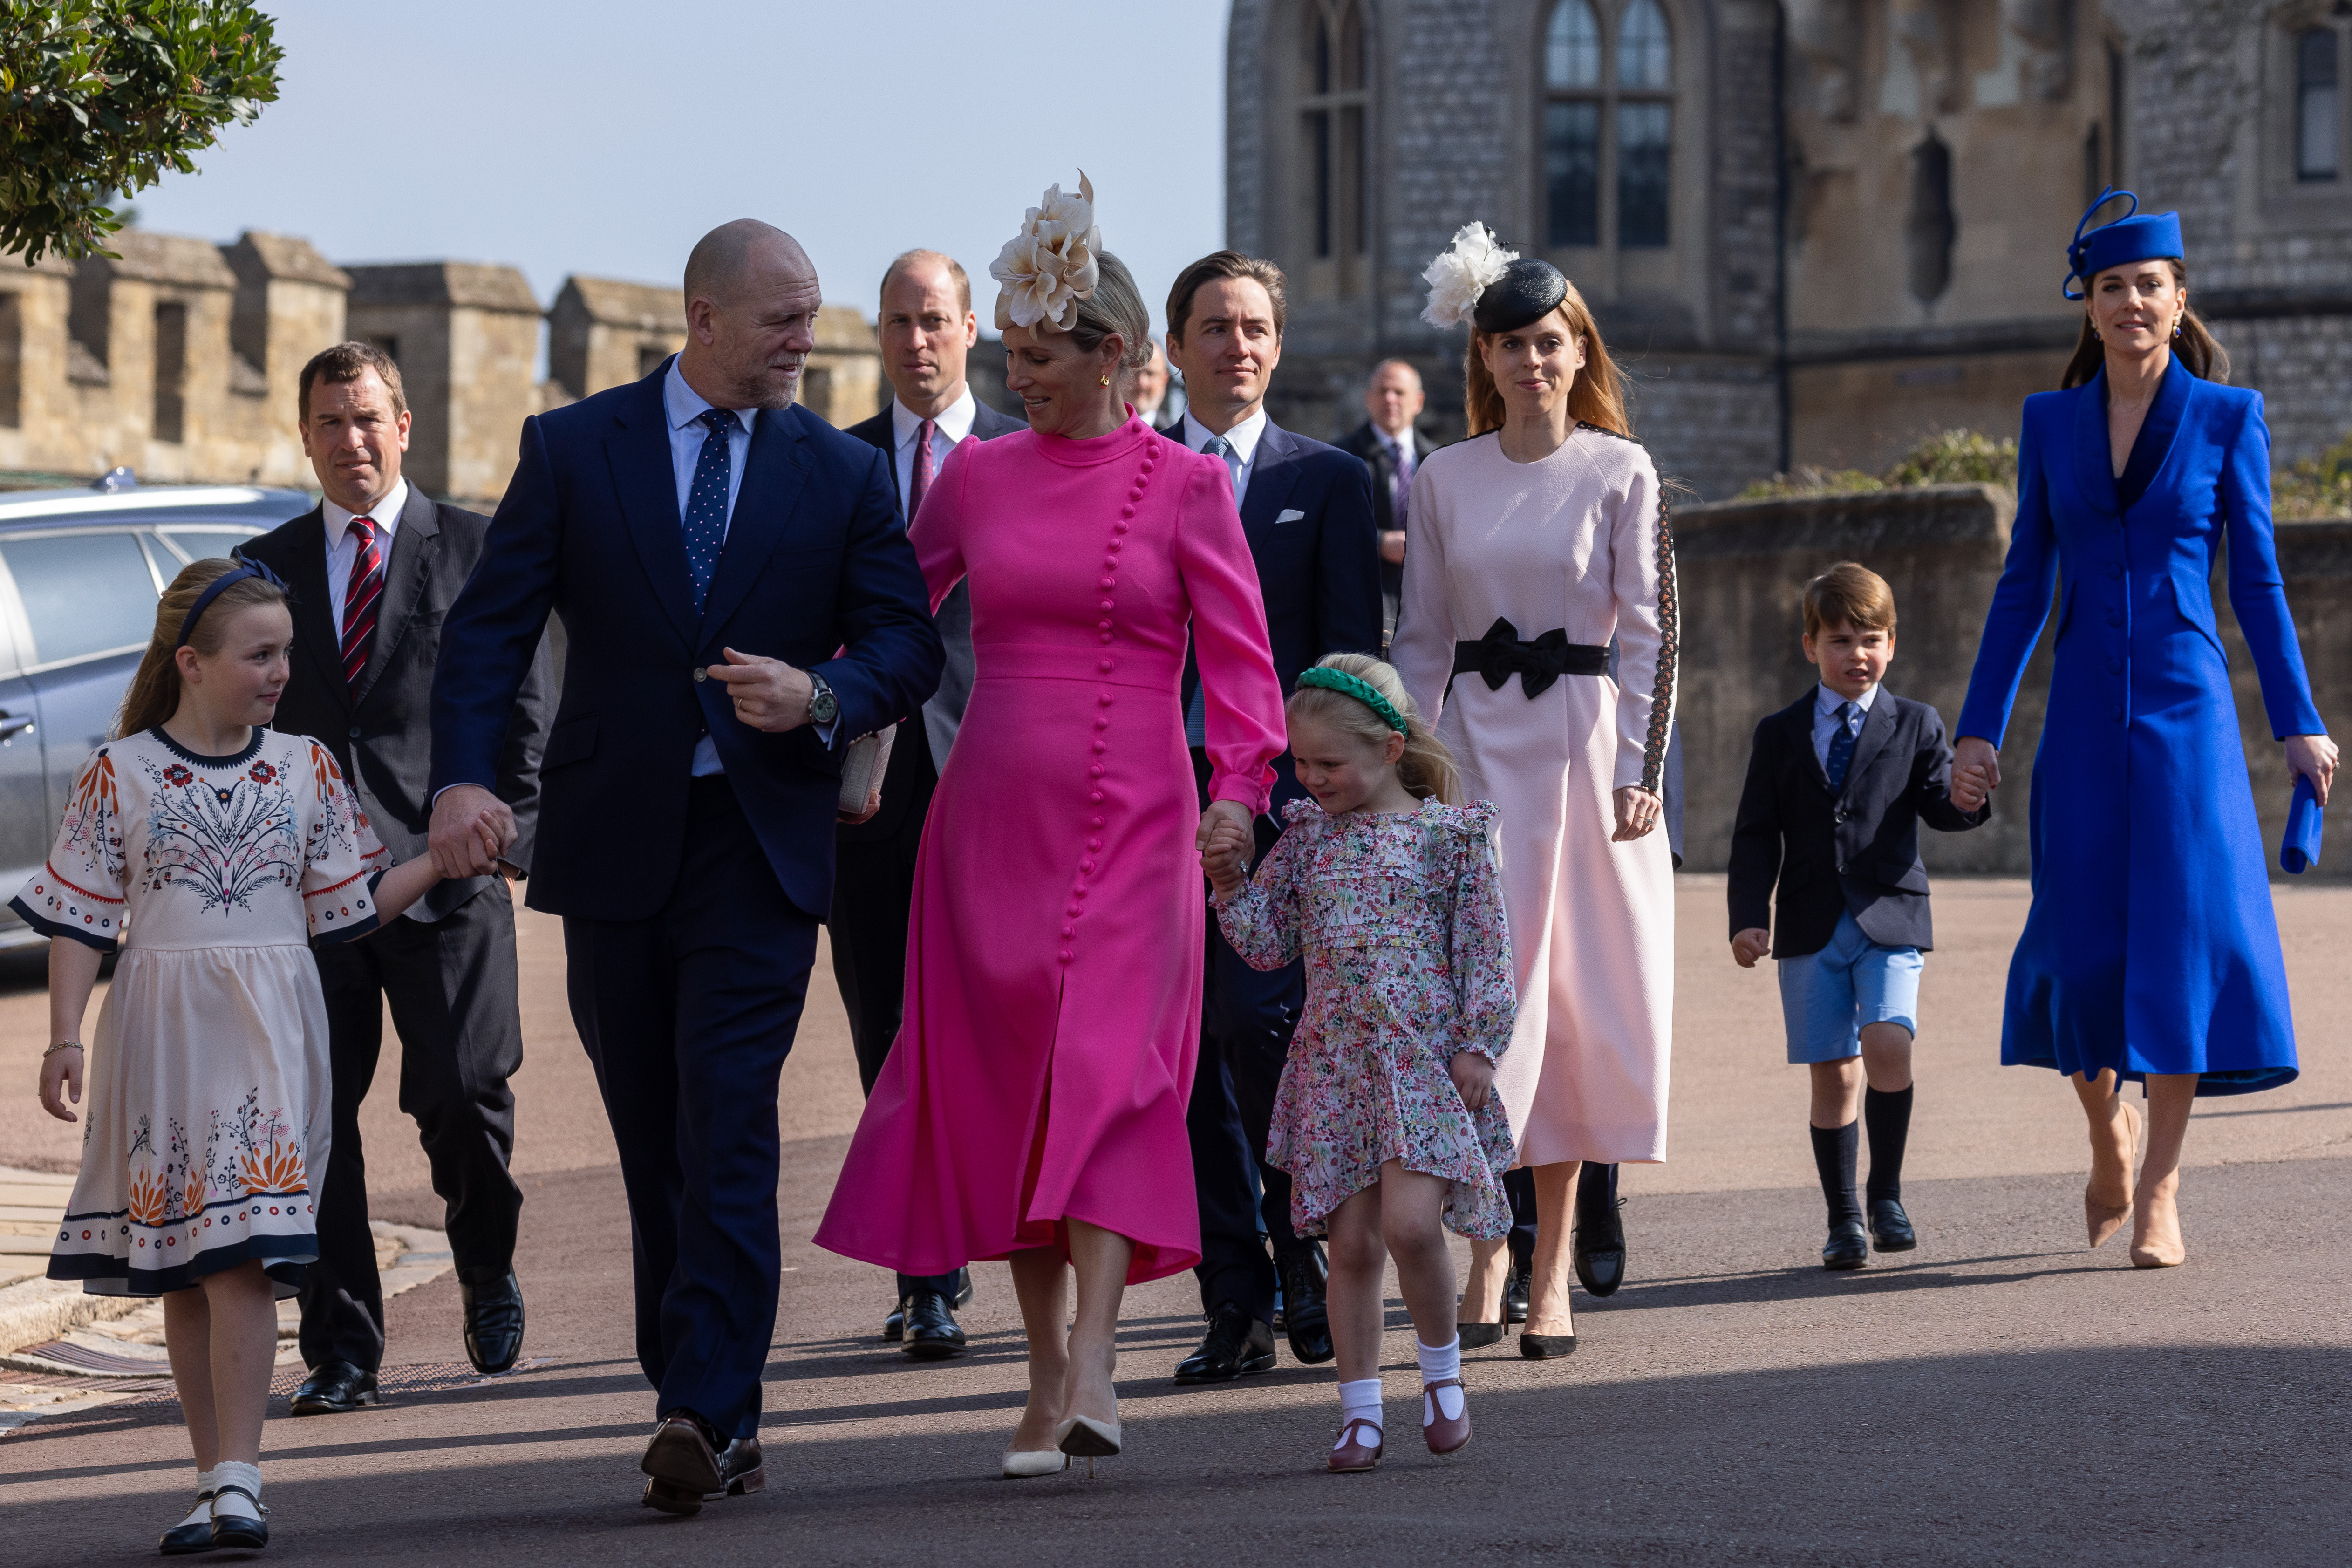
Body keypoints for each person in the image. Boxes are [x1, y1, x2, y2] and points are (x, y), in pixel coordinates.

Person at [428, 219, 943, 1514]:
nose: (805, 343)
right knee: (650, 1131)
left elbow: (904, 641)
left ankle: (704, 1405)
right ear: (702, 317)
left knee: (728, 1124)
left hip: (758, 850)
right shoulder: (572, 447)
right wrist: (464, 775)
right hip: (611, 842)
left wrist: (820, 691)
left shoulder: (839, 470)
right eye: (782, 320)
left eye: (815, 317)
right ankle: (704, 1396)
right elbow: (490, 632)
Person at [813, 173, 1287, 1478]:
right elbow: (897, 627)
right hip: (990, 820)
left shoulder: (1190, 487)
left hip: (1142, 818)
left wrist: (1240, 796)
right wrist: (821, 695)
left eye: (1038, 356)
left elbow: (1245, 673)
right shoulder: (973, 481)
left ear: (1111, 355)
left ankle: (1096, 1360)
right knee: (1010, 1086)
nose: (1017, 376)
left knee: (1114, 1075)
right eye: (1008, 354)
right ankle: (1039, 1378)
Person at [23, 558, 479, 1554]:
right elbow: (78, 918)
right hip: (159, 1032)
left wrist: (436, 864)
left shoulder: (306, 767)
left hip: (275, 1033)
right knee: (185, 1265)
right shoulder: (121, 774)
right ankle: (211, 1480)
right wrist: (64, 1036)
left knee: (237, 1259)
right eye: (259, 654)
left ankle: (240, 1482)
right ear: (191, 662)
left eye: (284, 652)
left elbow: (347, 907)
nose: (280, 670)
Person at [1952, 190, 2337, 1269]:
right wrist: (1979, 728)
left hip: (2187, 703)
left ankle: (2162, 1187)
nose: (2131, 302)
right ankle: (2103, 1131)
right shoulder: (2048, 421)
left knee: (2178, 940)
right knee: (2079, 947)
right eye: (2111, 286)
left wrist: (2297, 723)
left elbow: (2256, 580)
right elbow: (2023, 582)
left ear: (2179, 298)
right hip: (2078, 708)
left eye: (2149, 285)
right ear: (2090, 305)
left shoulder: (2227, 416)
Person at [241, 342, 553, 1418]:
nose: (351, 439)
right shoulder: (263, 565)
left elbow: (527, 709)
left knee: (464, 1096)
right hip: (309, 899)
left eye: (368, 418)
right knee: (318, 1123)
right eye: (330, 422)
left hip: (449, 878)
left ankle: (485, 1262)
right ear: (307, 436)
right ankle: (343, 1349)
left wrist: (508, 832)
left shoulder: (477, 549)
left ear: (405, 424)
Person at [1390, 225, 1675, 1360]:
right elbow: (1417, 643)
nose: (1531, 361)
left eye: (1549, 342)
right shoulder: (1444, 477)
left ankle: (1548, 1259)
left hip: (1585, 756)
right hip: (1473, 759)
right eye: (1510, 344)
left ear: (1578, 348)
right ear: (1487, 357)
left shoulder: (1622, 467)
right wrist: (1410, 779)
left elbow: (1653, 634)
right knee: (1482, 1009)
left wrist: (1637, 774)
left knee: (1572, 1019)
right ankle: (1488, 1245)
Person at [1204, 654, 1514, 1473]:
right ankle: (1358, 1411)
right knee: (1348, 1248)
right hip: (1333, 1070)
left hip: (1421, 1065)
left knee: (1412, 1225)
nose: (1309, 779)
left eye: (1326, 763)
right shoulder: (1305, 839)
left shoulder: (1451, 837)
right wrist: (1229, 882)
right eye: (1299, 764)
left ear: (1387, 748)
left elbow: (1486, 952)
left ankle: (1441, 1376)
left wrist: (1479, 1043)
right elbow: (1268, 946)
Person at [1163, 249, 1382, 1385]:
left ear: (1278, 346)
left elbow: (1350, 660)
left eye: (1253, 327)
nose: (1234, 346)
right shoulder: (1139, 472)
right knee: (1187, 1052)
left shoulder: (1330, 482)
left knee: (1266, 1030)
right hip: (1156, 800)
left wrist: (1311, 804)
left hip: (1284, 812)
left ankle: (1305, 1250)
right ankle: (1232, 1297)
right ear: (1174, 346)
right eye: (1213, 327)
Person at [838, 250, 1026, 1358]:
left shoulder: (1024, 452)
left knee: (991, 1017)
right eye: (900, 322)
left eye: (937, 321)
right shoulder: (838, 461)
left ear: (972, 331)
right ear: (879, 334)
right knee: (883, 1019)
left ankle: (1019, 1236)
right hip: (870, 783)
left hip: (1000, 772)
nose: (918, 340)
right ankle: (926, 1267)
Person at [1726, 563, 1989, 1269]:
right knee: (1833, 1074)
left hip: (1890, 915)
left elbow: (1940, 803)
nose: (1857, 654)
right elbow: (1755, 832)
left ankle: (1887, 1194)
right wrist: (1749, 915)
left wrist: (1966, 797)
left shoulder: (1916, 722)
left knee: (1887, 1044)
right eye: (1840, 639)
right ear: (1809, 644)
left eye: (1870, 639)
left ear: (1893, 644)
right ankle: (1843, 1217)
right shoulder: (1778, 732)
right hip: (1810, 924)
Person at [1336, 359, 1432, 647]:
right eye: (1382, 391)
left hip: (1426, 601)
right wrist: (1379, 542)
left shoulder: (1439, 460)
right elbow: (1332, 526)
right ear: (1368, 399)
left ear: (1419, 402)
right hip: (1364, 599)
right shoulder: (1340, 458)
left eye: (1399, 393)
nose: (1390, 399)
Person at [1122, 337, 1173, 429]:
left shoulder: (1178, 439)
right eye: (1135, 372)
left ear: (1165, 380)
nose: (1142, 383)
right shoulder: (1095, 431)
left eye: (1151, 374)